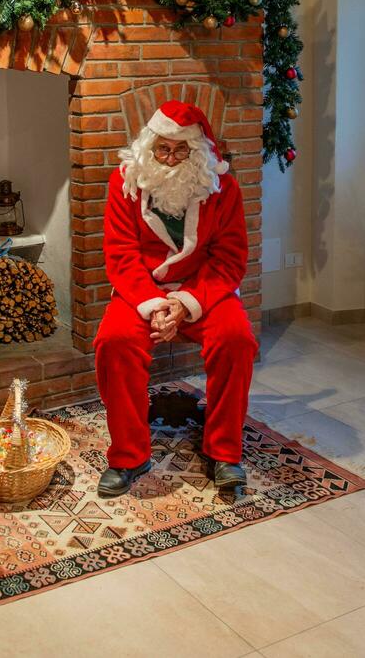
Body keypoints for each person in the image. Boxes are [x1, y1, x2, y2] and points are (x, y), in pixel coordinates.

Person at [94, 101, 258, 497]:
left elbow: (230, 259)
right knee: (112, 342)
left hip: (204, 291)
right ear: (148, 148)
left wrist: (185, 303)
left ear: (197, 151)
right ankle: (129, 455)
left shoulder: (224, 189)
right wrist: (154, 305)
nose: (169, 159)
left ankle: (223, 451)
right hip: (141, 291)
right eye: (162, 149)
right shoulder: (125, 184)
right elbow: (121, 255)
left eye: (180, 150)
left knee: (237, 339)